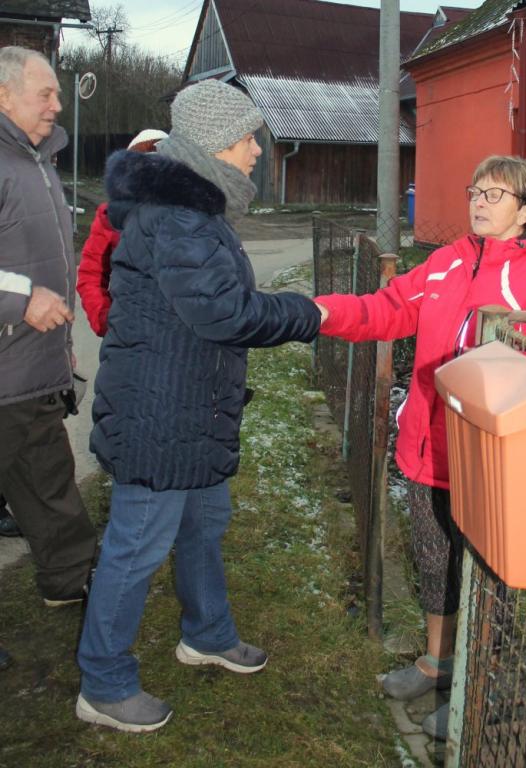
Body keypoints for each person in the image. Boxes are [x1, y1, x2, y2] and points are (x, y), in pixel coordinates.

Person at [75, 80, 322, 733]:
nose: (257, 151)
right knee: (135, 547)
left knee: (205, 522)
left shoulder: (193, 210)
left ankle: (207, 633)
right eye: (247, 138)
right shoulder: (180, 217)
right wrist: (310, 312)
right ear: (216, 142)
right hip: (159, 417)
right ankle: (103, 683)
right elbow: (225, 313)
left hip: (190, 409)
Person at [314, 155, 526, 740]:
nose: (479, 202)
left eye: (495, 195)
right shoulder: (448, 260)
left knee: (486, 581)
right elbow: (389, 308)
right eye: (474, 191)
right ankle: (437, 662)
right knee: (434, 563)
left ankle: (478, 689)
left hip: (488, 463)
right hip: (427, 448)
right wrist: (323, 312)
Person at [0, 46, 97, 606]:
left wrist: (62, 346)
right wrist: (20, 301)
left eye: (57, 94)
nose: (57, 105)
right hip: (6, 360)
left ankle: (68, 581)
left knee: (49, 482)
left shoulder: (38, 164)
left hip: (35, 366)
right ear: (5, 96)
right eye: (46, 94)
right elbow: (26, 286)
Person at [77, 129, 168, 337]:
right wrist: (105, 319)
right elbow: (91, 274)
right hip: (127, 338)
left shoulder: (189, 214)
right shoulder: (110, 216)